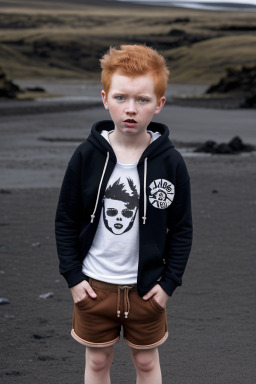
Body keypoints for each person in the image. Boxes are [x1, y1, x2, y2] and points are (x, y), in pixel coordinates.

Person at [55, 44, 192, 384]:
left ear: (158, 104)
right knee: (98, 362)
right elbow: (65, 220)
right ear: (105, 98)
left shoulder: (170, 161)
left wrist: (169, 283)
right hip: (94, 286)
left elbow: (182, 228)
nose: (130, 109)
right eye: (121, 98)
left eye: (142, 100)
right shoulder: (87, 155)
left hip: (146, 289)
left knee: (146, 364)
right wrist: (73, 277)